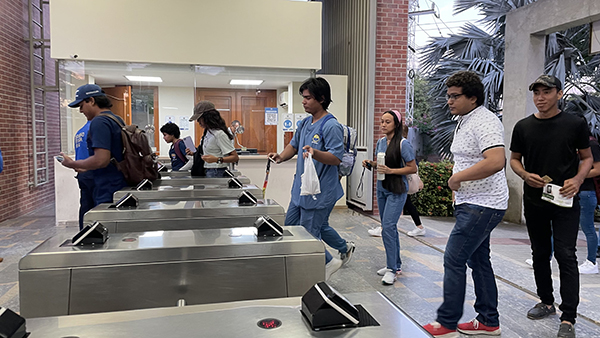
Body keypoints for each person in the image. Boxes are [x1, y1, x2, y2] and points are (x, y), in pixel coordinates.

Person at [423, 71, 508, 337]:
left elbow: (496, 161)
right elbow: (468, 159)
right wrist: (458, 189)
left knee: (454, 258)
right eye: (448, 95)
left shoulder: (484, 121)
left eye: (455, 96)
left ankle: (447, 323)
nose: (449, 100)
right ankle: (488, 321)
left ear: (473, 97)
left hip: (484, 203)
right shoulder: (465, 119)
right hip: (471, 201)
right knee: (478, 261)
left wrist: (456, 178)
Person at [510, 74, 592, 338]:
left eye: (546, 92)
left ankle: (569, 316)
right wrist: (524, 174)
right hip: (535, 200)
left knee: (566, 254)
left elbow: (587, 158)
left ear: (559, 94)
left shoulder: (575, 124)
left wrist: (578, 179)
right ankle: (546, 302)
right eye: (536, 93)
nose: (540, 98)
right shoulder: (523, 126)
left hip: (565, 200)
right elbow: (514, 159)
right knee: (539, 252)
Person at [268, 77, 353, 280]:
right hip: (301, 190)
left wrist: (315, 152)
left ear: (321, 99)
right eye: (303, 98)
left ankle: (326, 263)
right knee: (290, 227)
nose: (304, 102)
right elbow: (294, 146)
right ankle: (341, 249)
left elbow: (335, 157)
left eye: (308, 98)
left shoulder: (331, 126)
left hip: (319, 192)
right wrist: (280, 156)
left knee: (308, 233)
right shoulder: (305, 123)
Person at [362, 110, 417, 285]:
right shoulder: (380, 142)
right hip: (382, 188)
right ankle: (395, 265)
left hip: (397, 189)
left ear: (396, 124)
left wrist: (392, 171)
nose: (383, 125)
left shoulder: (403, 143)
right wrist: (371, 164)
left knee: (388, 227)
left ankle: (392, 269)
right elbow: (382, 163)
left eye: (387, 122)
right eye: (382, 121)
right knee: (389, 229)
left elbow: (412, 168)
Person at [60, 84, 128, 205]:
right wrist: (85, 166)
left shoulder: (99, 122)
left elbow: (101, 160)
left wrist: (71, 164)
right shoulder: (116, 119)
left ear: (91, 101)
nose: (81, 111)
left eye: (81, 106)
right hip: (119, 182)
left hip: (107, 186)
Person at [188, 100, 239, 177]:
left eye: (200, 118)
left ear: (207, 117)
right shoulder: (208, 132)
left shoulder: (219, 134)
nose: (198, 121)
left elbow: (235, 157)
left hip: (217, 171)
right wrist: (194, 153)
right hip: (207, 170)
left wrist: (217, 159)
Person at [577, 133, 600, 274]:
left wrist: (578, 176)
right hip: (573, 190)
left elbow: (597, 169)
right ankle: (547, 257)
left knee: (588, 227)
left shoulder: (591, 145)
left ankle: (592, 262)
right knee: (558, 225)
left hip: (586, 191)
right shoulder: (573, 143)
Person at [74, 120, 95, 230]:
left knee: (85, 206)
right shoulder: (95, 129)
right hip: (92, 173)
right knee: (97, 208)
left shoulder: (80, 132)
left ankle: (83, 232)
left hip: (82, 174)